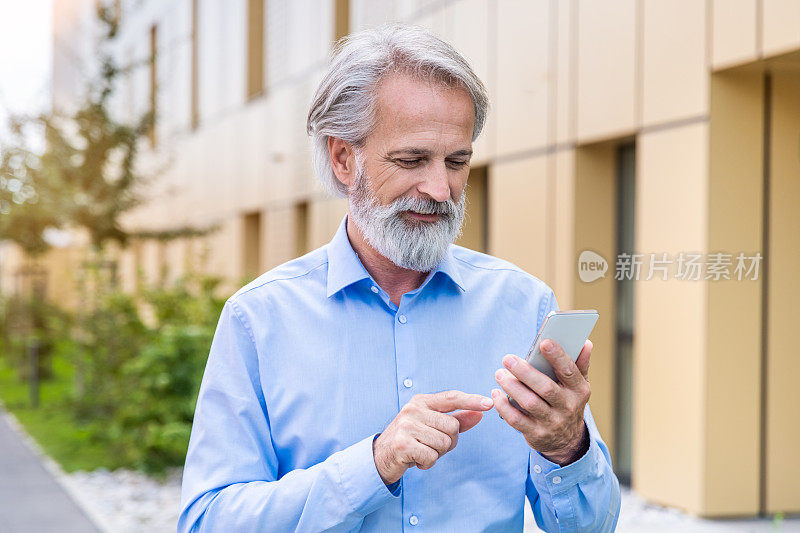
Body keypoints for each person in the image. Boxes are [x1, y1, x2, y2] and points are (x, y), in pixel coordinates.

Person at [178, 23, 621, 532]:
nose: (440, 188)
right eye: (412, 160)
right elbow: (207, 521)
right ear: (343, 158)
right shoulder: (258, 319)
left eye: (457, 162)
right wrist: (373, 464)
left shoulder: (523, 304)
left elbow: (591, 525)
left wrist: (567, 448)